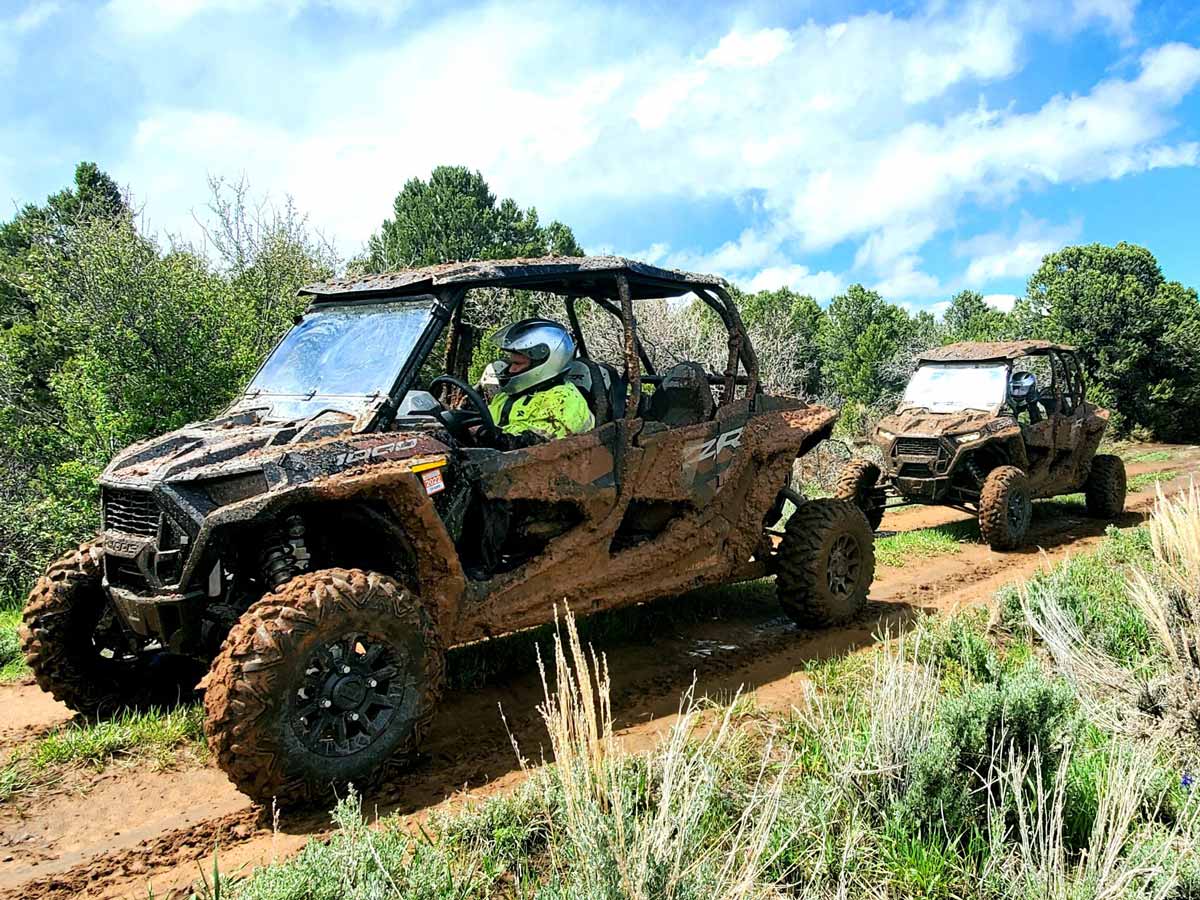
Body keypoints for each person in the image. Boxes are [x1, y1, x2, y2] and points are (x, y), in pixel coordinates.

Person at [485, 319, 595, 449]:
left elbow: (537, 446)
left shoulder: (564, 402)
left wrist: (488, 435)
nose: (510, 370)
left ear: (545, 363)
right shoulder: (510, 395)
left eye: (517, 364)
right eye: (511, 362)